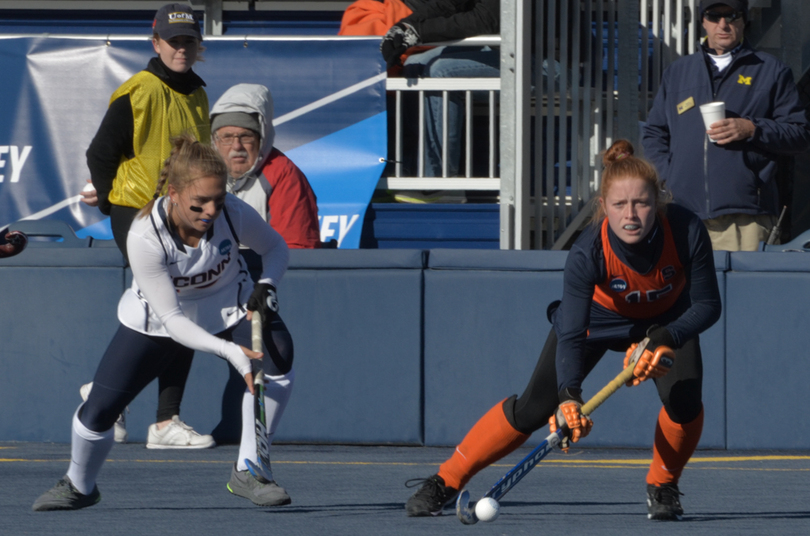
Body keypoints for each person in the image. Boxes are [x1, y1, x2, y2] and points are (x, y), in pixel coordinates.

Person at [404, 140, 722, 522]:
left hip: (667, 323)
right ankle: (446, 480)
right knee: (533, 409)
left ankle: (663, 485)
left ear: (659, 201)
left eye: (641, 203)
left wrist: (664, 337)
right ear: (604, 207)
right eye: (620, 205)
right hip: (598, 323)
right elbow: (571, 330)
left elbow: (707, 305)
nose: (631, 215)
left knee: (685, 403)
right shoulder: (587, 251)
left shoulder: (686, 230)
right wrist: (569, 397)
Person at [33, 135, 294, 511]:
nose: (210, 212)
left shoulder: (233, 213)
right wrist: (230, 353)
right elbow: (173, 320)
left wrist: (267, 285)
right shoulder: (144, 235)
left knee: (278, 358)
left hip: (229, 303)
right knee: (99, 413)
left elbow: (275, 247)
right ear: (173, 193)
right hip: (159, 319)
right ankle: (78, 485)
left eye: (218, 201)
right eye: (198, 203)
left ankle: (250, 470)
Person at [82, 3, 214, 447]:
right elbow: (100, 154)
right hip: (137, 212)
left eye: (188, 41)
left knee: (177, 305)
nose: (181, 48)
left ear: (198, 47)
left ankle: (125, 405)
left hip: (178, 217)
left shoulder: (197, 92)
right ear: (155, 43)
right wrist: (110, 205)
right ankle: (157, 418)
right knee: (170, 305)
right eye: (173, 41)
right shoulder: (137, 89)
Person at [642, 0, 810, 251]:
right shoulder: (677, 73)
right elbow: (654, 133)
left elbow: (800, 134)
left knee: (743, 290)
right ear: (703, 22)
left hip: (745, 218)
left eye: (731, 16)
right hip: (683, 215)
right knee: (685, 290)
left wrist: (752, 129)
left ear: (743, 21)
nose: (723, 24)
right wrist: (670, 177)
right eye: (714, 15)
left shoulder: (771, 71)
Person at [376, 0, 500, 179]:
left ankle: (440, 180)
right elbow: (449, 3)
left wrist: (419, 32)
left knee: (440, 71)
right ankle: (417, 167)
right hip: (506, 48)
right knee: (415, 64)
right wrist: (404, 26)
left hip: (544, 59)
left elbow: (486, 18)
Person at [209, 83, 321, 248]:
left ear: (262, 138)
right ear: (215, 141)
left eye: (246, 136)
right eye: (227, 137)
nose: (236, 146)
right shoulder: (202, 172)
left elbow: (296, 250)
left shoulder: (282, 174)